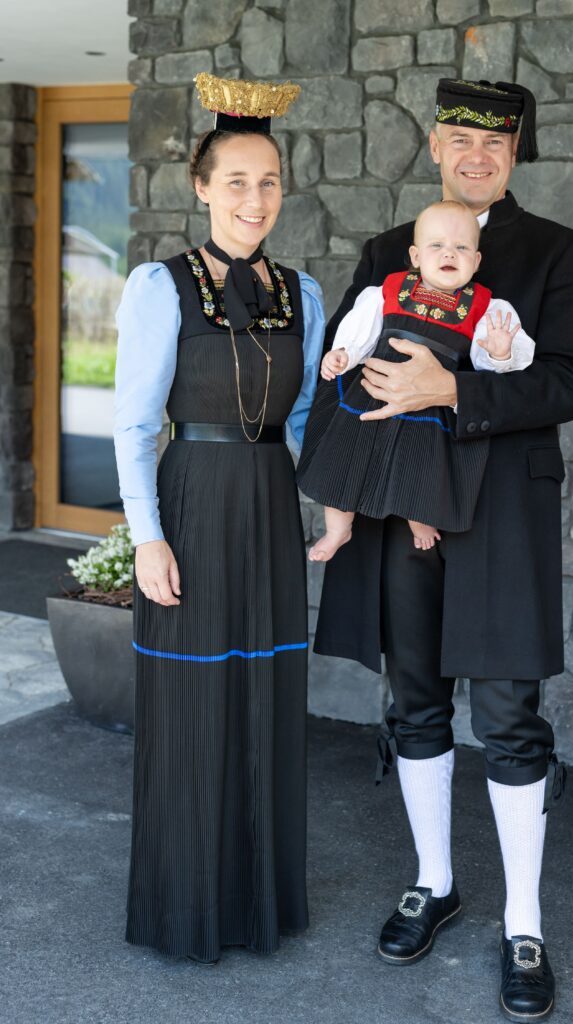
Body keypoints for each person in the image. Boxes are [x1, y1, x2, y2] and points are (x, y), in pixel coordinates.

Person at [306, 79, 573, 1021]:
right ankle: (434, 883)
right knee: (414, 695)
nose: (478, 158)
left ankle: (524, 922)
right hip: (403, 507)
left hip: (504, 510)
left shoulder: (557, 251)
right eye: (461, 142)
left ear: (513, 154)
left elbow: (566, 381)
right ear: (434, 145)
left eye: (496, 145)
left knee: (510, 715)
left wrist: (450, 391)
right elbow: (348, 365)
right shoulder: (388, 254)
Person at [113, 73, 325, 965]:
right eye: (235, 181)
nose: (253, 198)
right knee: (198, 701)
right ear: (201, 188)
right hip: (193, 503)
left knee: (267, 702)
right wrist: (147, 534)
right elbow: (132, 421)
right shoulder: (160, 287)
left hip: (271, 506)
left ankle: (257, 901)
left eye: (267, 181)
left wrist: (338, 507)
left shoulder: (303, 294)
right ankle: (188, 904)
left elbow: (311, 419)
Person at [297, 199, 534, 561]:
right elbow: (360, 331)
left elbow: (495, 368)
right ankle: (337, 529)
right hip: (372, 389)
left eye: (461, 247)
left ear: (476, 260)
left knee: (423, 463)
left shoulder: (485, 307)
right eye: (437, 245)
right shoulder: (388, 291)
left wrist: (501, 351)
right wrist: (343, 353)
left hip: (430, 398)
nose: (449, 253)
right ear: (416, 255)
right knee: (348, 458)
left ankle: (421, 518)